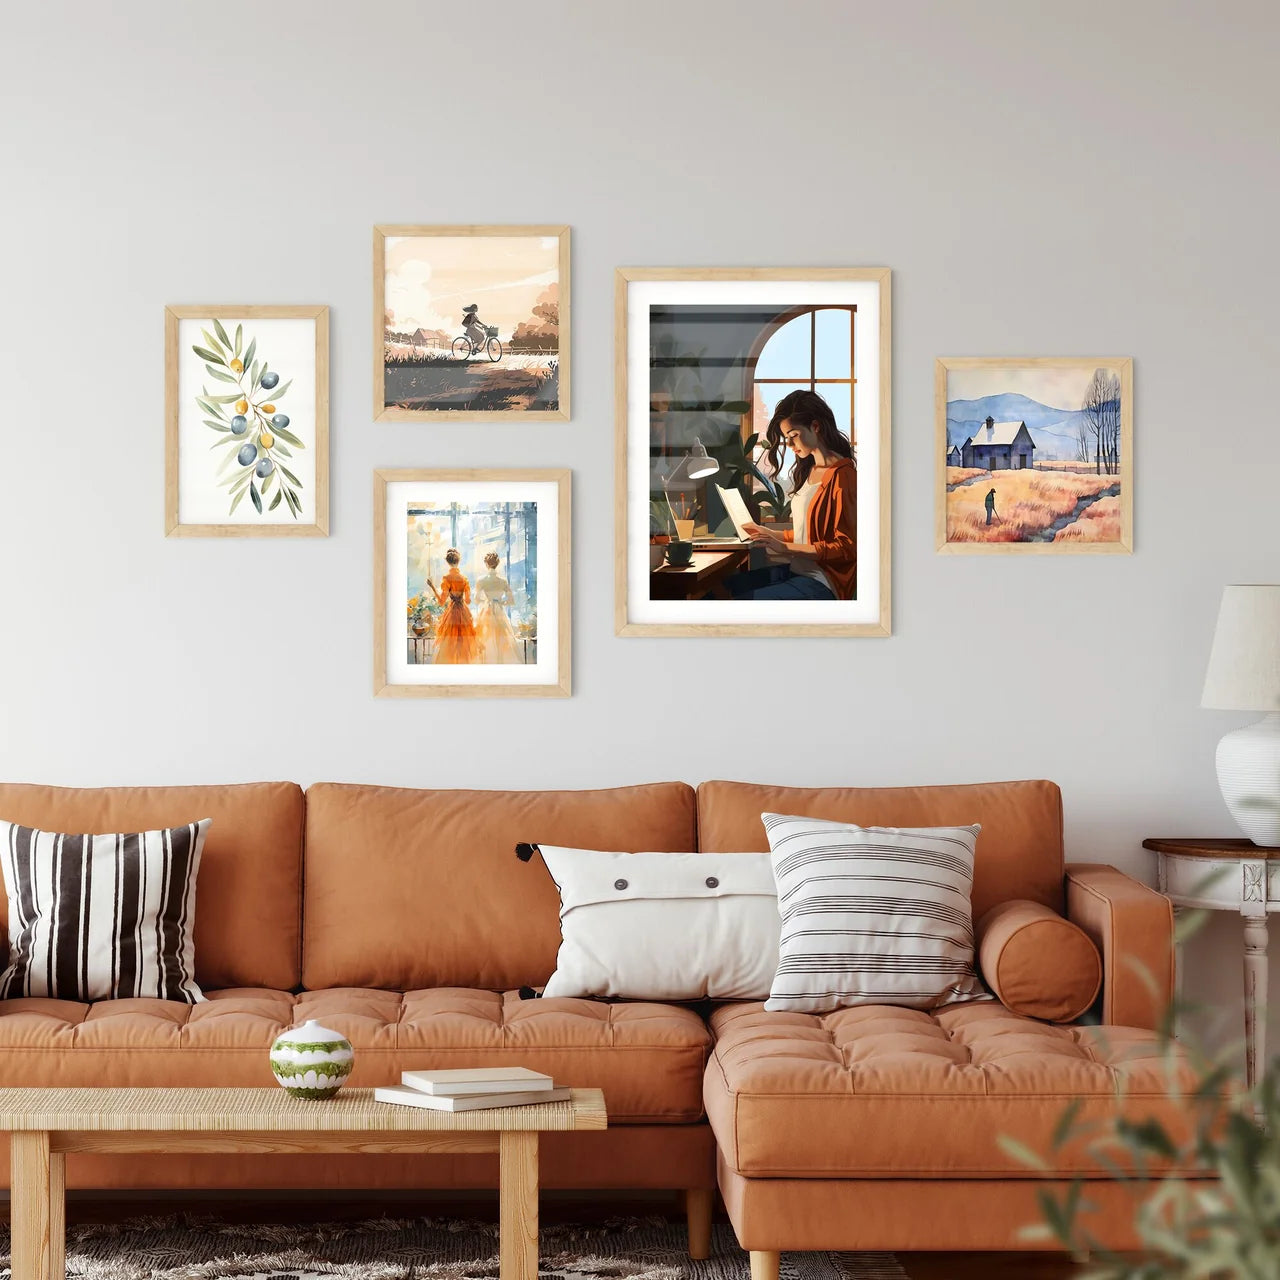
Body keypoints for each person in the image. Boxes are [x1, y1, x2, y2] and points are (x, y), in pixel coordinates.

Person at [727, 389, 857, 601]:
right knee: (720, 591)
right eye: (787, 438)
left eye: (794, 436)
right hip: (797, 572)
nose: (790, 445)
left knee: (741, 602)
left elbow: (846, 547)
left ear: (816, 426)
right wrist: (766, 532)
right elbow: (805, 534)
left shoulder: (844, 476)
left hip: (823, 581)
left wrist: (785, 547)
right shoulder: (810, 470)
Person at [426, 549, 477, 664]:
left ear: (447, 562)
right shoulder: (464, 579)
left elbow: (441, 602)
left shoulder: (446, 578)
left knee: (449, 645)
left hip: (452, 613)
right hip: (463, 613)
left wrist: (432, 587)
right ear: (458, 561)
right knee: (463, 645)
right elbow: (468, 601)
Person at [474, 552, 521, 664]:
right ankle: (499, 663)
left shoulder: (481, 580)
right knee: (501, 638)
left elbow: (476, 599)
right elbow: (511, 600)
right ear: (497, 564)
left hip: (487, 610)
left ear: (486, 564)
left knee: (485, 638)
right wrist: (500, 602)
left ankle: (487, 663)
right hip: (499, 610)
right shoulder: (502, 581)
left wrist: (486, 601)